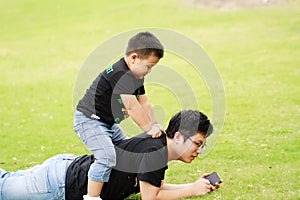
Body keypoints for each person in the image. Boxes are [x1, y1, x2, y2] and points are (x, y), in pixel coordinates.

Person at [0, 110, 221, 200]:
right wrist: (191, 190)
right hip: (60, 184)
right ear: (180, 136)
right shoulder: (155, 152)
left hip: (65, 171)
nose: (199, 151)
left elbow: (154, 187)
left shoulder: (157, 146)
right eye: (198, 144)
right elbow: (150, 198)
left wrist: (194, 185)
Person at [74, 32, 165, 200]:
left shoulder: (136, 75)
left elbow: (144, 102)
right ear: (134, 58)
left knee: (125, 153)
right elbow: (132, 107)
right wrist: (148, 128)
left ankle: (121, 186)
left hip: (107, 123)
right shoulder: (121, 74)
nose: (149, 71)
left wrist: (155, 124)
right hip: (88, 120)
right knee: (106, 156)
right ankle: (92, 197)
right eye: (149, 66)